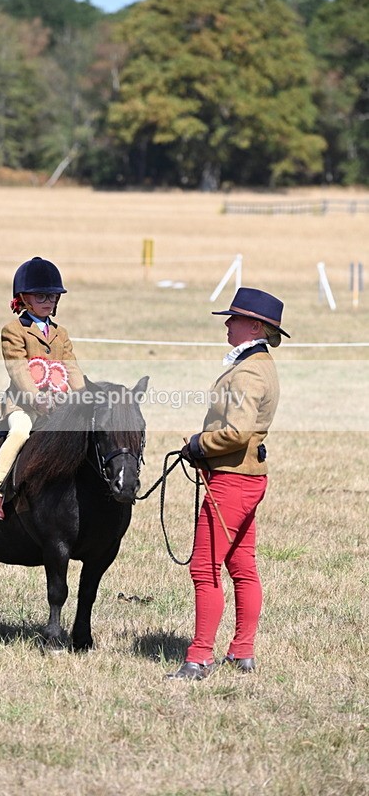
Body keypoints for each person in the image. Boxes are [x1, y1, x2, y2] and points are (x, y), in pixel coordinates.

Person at [167, 287, 289, 680]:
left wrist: (198, 443)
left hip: (232, 482)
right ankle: (242, 652)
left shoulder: (250, 371)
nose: (227, 324)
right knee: (242, 566)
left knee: (205, 569)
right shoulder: (258, 364)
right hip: (248, 479)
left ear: (253, 326)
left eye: (233, 319)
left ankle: (199, 657)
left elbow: (236, 432)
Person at [0, 256, 85, 520]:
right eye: (41, 297)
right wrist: (37, 400)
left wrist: (84, 397)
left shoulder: (61, 333)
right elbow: (18, 369)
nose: (48, 302)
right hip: (23, 404)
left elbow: (71, 367)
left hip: (58, 404)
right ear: (24, 298)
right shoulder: (13, 331)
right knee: (21, 433)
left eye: (53, 296)